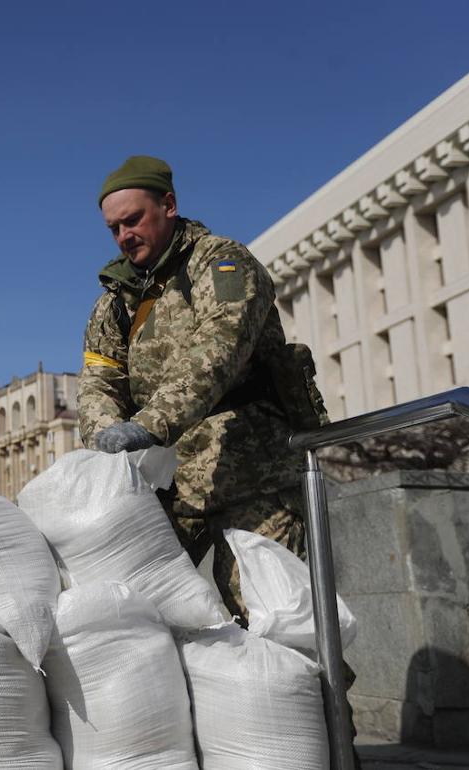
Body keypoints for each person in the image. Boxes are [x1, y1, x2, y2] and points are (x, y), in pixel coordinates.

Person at [76, 155, 322, 622]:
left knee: (276, 621)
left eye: (133, 220)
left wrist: (149, 423)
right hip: (170, 485)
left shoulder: (222, 263)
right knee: (132, 617)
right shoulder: (116, 302)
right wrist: (106, 439)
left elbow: (221, 347)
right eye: (114, 228)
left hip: (251, 474)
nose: (124, 236)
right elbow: (98, 380)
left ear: (168, 205)